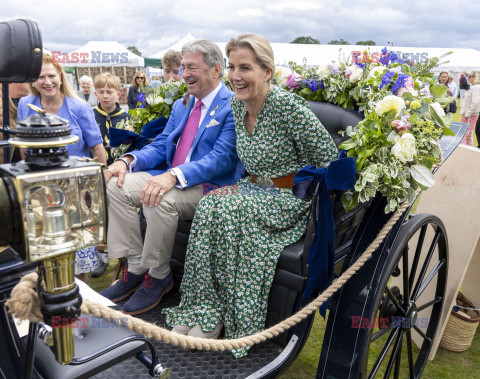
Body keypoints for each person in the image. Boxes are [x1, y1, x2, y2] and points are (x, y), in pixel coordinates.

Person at [163, 33, 337, 357]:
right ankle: (203, 309)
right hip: (252, 189)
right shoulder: (235, 102)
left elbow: (327, 154)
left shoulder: (287, 106)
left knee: (226, 206)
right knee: (211, 206)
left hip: (288, 199)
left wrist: (303, 183)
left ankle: (231, 316)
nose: (236, 76)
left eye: (245, 67)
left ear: (267, 71)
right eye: (231, 67)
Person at [99, 39, 242, 315]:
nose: (184, 73)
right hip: (170, 177)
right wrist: (127, 160)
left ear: (215, 69)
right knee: (116, 185)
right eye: (183, 67)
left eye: (192, 67)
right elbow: (162, 143)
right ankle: (136, 268)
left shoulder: (232, 105)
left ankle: (159, 275)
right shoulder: (182, 104)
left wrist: (174, 176)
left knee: (159, 198)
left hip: (211, 186)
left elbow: (222, 159)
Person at [17, 53, 107, 283]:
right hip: (38, 192)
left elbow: (98, 150)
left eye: (51, 76)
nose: (46, 82)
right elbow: (23, 150)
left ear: (61, 77)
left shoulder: (79, 107)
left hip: (75, 191)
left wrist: (98, 190)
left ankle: (81, 304)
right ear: (33, 81)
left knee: (77, 258)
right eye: (40, 77)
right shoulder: (25, 105)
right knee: (43, 255)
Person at [93, 72, 130, 165]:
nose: (105, 96)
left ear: (118, 94)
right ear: (96, 94)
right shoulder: (90, 116)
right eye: (101, 92)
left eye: (109, 92)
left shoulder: (126, 118)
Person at [460, 71, 480, 146]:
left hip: (469, 114)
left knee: (466, 134)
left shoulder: (475, 88)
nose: (468, 78)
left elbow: (475, 102)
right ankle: (468, 150)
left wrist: (467, 114)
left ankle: (466, 150)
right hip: (471, 113)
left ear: (475, 77)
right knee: (468, 134)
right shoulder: (475, 87)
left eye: (470, 76)